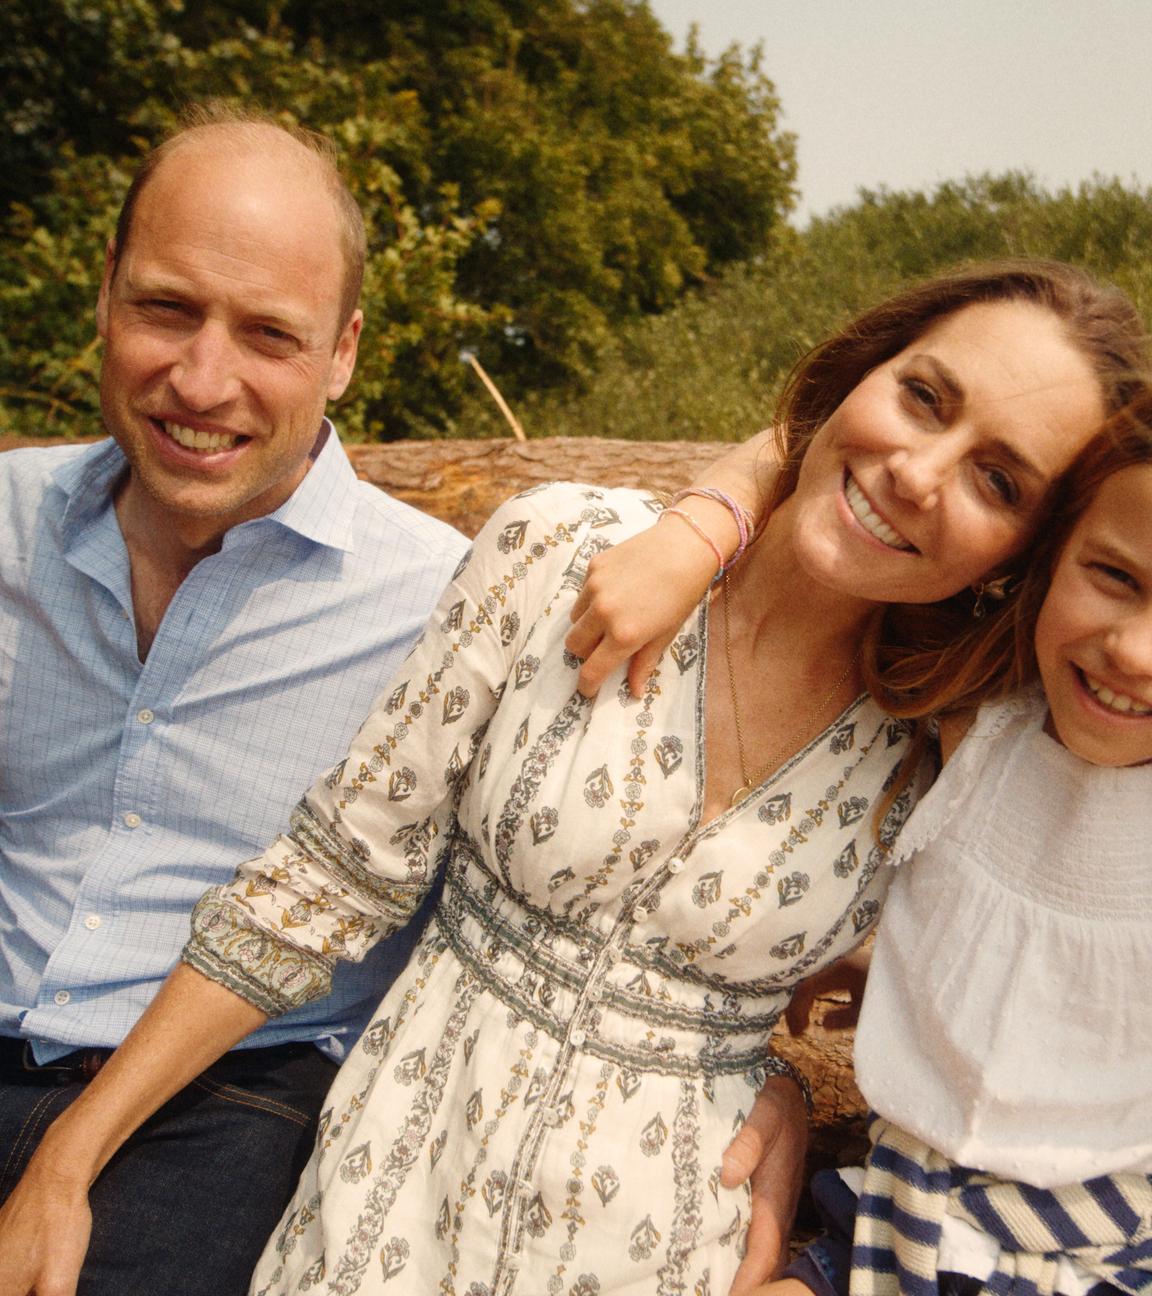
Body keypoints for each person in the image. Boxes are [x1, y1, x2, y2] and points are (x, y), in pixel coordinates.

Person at [0, 260, 1143, 1296]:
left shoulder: (945, 739)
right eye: (923, 397)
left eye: (998, 481)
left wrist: (787, 1084)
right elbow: (331, 879)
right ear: (860, 373)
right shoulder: (566, 551)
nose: (917, 471)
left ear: (1020, 552)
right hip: (388, 1208)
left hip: (673, 1249)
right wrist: (71, 1156)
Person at [0, 105, 469, 1294]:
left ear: (345, 350)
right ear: (105, 291)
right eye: (166, 307)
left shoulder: (444, 606)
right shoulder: (7, 525)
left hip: (235, 1101)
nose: (202, 380)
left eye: (269, 333)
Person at [752, 406, 1152, 1296]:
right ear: (1047, 557)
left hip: (1103, 1257)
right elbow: (808, 452)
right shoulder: (973, 722)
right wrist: (698, 524)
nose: (1133, 651)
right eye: (1113, 576)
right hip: (892, 1215)